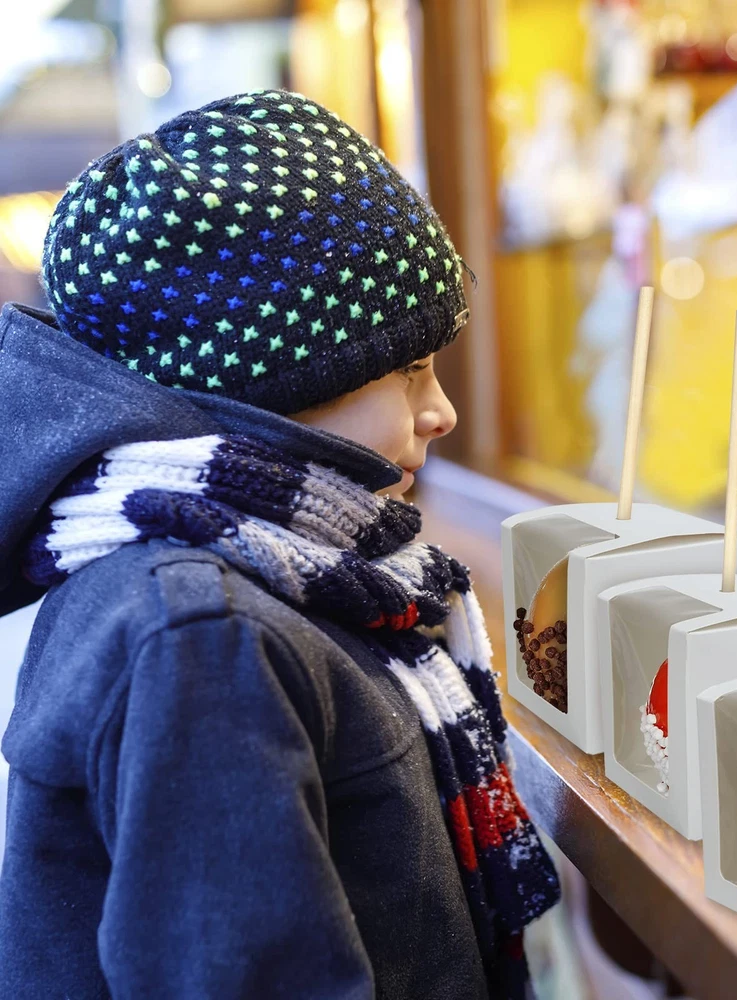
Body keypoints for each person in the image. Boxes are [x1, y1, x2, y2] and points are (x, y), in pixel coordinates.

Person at [0, 87, 559, 999]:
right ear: (277, 385)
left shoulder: (293, 576)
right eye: (410, 368)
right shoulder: (204, 635)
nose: (442, 411)